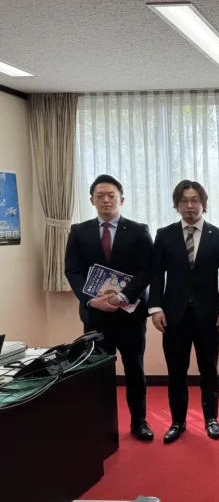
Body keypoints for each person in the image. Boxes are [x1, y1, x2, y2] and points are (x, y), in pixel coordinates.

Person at [65, 174, 154, 441]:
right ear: (92, 200)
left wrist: (123, 297)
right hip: (95, 315)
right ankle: (103, 426)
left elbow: (147, 270)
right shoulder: (78, 231)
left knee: (135, 370)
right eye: (100, 195)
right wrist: (92, 300)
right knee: (98, 372)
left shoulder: (139, 230)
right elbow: (73, 271)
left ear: (121, 200)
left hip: (130, 315)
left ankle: (139, 422)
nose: (106, 200)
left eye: (111, 195)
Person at [148, 180, 219, 444]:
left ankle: (212, 418)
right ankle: (178, 421)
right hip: (173, 316)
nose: (189, 205)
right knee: (176, 371)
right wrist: (155, 308)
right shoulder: (164, 235)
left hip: (209, 315)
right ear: (177, 205)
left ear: (203, 204)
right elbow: (156, 275)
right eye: (184, 200)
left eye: (195, 200)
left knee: (209, 370)